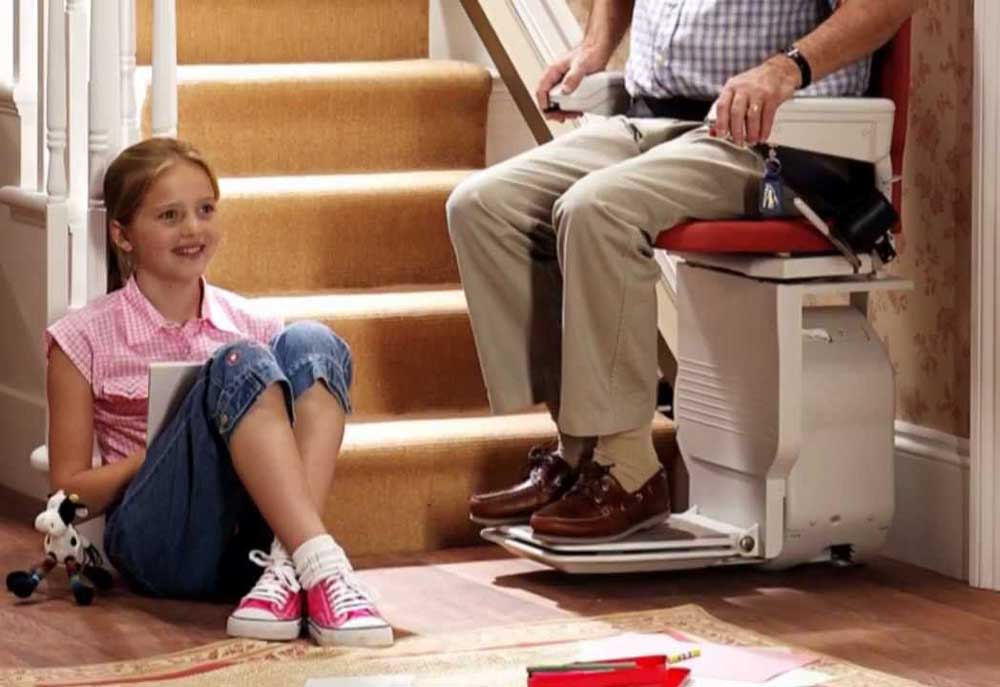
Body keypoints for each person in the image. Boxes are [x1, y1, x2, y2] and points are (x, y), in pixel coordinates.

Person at [446, 0, 917, 543]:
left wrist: (785, 68)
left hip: (771, 139)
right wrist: (595, 46)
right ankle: (579, 452)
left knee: (596, 211)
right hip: (652, 119)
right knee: (483, 206)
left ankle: (628, 471)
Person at [44, 138, 393, 647]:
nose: (193, 229)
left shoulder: (252, 321)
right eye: (169, 216)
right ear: (122, 234)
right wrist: (155, 454)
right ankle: (319, 562)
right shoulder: (83, 337)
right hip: (159, 544)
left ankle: (289, 563)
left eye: (205, 209)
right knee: (240, 361)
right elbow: (67, 494)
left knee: (312, 339)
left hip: (246, 548)